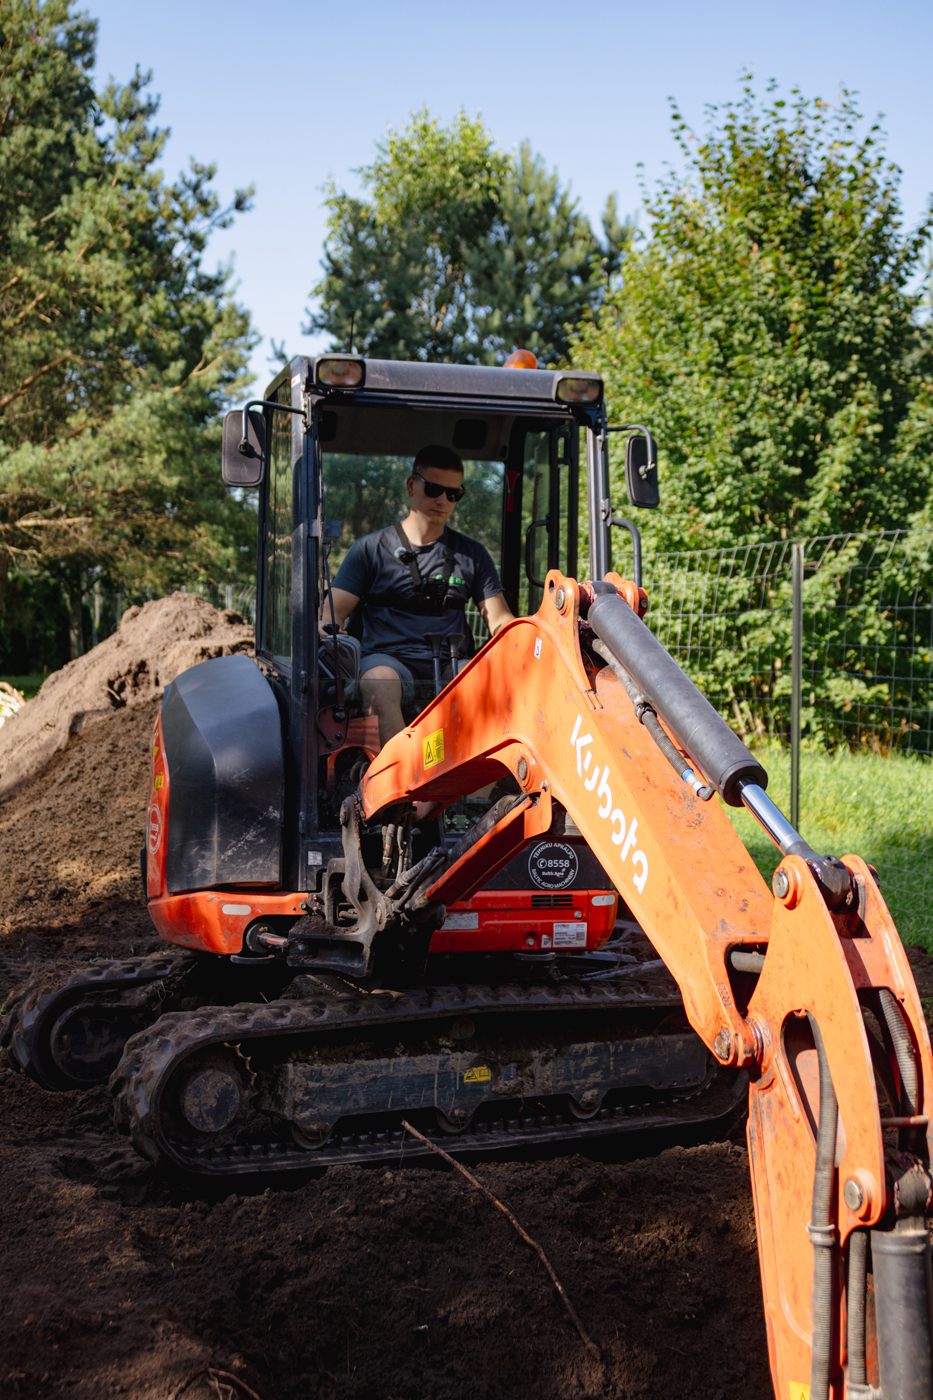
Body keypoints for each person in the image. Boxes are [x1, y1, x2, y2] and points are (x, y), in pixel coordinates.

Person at [320, 445, 515, 746]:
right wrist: (330, 631)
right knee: (379, 683)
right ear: (412, 485)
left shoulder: (473, 554)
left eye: (453, 494)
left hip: (451, 663)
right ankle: (403, 783)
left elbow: (499, 619)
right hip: (389, 661)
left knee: (496, 684)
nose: (443, 500)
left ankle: (470, 790)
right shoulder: (370, 549)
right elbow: (332, 613)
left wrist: (521, 643)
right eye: (434, 489)